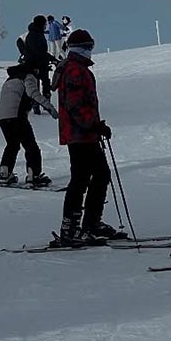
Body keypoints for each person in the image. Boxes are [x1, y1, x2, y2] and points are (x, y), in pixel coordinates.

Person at [54, 29, 119, 246]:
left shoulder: (78, 69)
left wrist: (95, 126)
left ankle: (90, 223)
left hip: (84, 133)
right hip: (79, 134)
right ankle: (71, 228)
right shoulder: (74, 71)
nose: (90, 51)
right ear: (80, 48)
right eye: (88, 47)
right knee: (82, 179)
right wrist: (93, 124)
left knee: (100, 174)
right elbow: (74, 105)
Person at [0, 62, 57, 187]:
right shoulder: (28, 76)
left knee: (12, 145)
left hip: (1, 116)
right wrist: (49, 107)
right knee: (31, 146)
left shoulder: (10, 79)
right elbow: (33, 93)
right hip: (17, 115)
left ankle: (4, 174)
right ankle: (34, 176)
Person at [22, 15, 53, 114]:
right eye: (45, 24)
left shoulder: (37, 33)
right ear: (41, 24)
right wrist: (50, 59)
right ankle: (38, 105)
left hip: (40, 63)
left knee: (44, 83)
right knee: (38, 84)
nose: (46, 26)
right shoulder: (34, 35)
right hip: (35, 64)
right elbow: (39, 52)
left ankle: (43, 104)